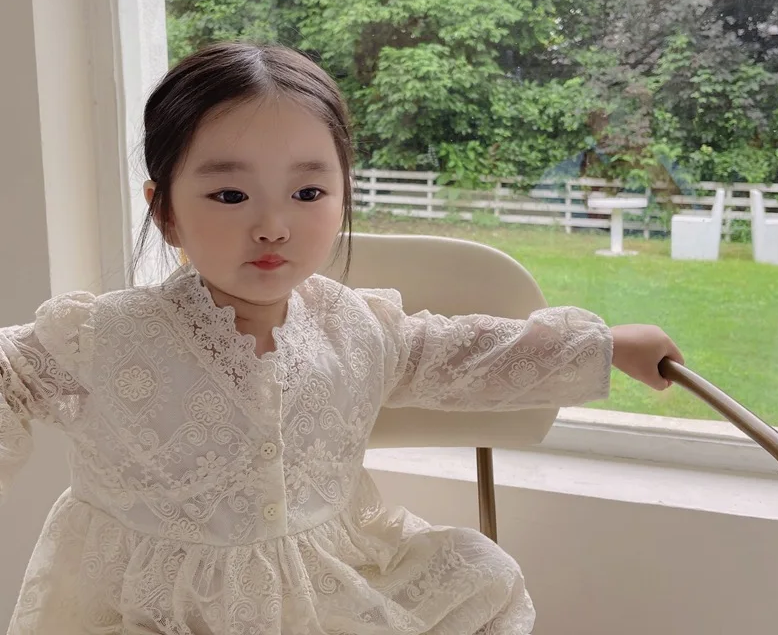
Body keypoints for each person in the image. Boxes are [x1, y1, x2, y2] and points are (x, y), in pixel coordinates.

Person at [0, 42, 683, 635]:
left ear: (343, 195)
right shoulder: (104, 338)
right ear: (166, 212)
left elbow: (467, 354)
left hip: (328, 600)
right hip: (151, 615)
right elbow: (11, 370)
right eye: (231, 196)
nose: (273, 226)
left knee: (481, 573)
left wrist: (606, 346)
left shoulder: (355, 328)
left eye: (308, 194)